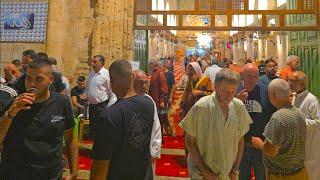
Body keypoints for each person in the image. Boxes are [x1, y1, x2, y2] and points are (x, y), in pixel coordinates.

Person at [0, 57, 78, 179]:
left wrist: (74, 171)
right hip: (16, 173)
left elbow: (70, 139)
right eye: (28, 78)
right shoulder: (14, 102)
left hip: (51, 174)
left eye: (39, 79)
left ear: (50, 80)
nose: (32, 84)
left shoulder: (62, 102)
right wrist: (11, 113)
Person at [180, 68, 253, 179]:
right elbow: (189, 142)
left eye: (232, 92)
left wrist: (235, 170)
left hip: (227, 173)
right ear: (216, 87)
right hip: (203, 174)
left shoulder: (238, 106)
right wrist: (204, 171)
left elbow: (240, 141)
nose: (229, 96)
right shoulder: (202, 106)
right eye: (225, 91)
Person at [90, 60, 154, 179]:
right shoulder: (148, 104)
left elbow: (101, 163)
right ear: (132, 77)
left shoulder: (109, 115)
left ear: (112, 80)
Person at [252, 79, 308, 180]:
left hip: (282, 175)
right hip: (300, 172)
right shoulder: (298, 113)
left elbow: (271, 151)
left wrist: (259, 143)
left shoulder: (278, 118)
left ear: (272, 94)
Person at [237, 63, 276, 180]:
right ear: (242, 75)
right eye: (249, 76)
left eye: (255, 76)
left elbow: (273, 115)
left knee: (261, 175)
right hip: (240, 144)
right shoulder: (234, 90)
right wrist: (236, 101)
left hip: (259, 144)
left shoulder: (266, 91)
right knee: (242, 175)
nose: (252, 80)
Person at [288, 71, 320, 180]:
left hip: (309, 142)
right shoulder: (294, 96)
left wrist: (299, 121)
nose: (289, 83)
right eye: (289, 80)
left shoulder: (311, 99)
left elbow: (318, 121)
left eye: (292, 81)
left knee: (311, 172)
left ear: (302, 84)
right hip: (297, 143)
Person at [133, 69, 162, 175]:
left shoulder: (149, 101)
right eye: (140, 82)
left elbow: (156, 127)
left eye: (146, 82)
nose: (144, 86)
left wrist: (155, 150)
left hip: (147, 151)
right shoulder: (123, 101)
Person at [86, 55, 116, 139]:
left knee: (102, 130)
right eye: (92, 61)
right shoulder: (91, 73)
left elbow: (112, 93)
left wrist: (108, 108)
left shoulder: (106, 74)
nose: (92, 64)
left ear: (101, 63)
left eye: (95, 62)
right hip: (92, 107)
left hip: (102, 106)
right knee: (93, 130)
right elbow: (88, 87)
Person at [148, 60, 171, 135]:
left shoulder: (159, 73)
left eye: (150, 65)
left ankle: (160, 138)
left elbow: (164, 89)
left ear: (153, 64)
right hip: (154, 100)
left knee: (159, 121)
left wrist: (162, 101)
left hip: (158, 102)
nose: (149, 67)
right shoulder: (154, 73)